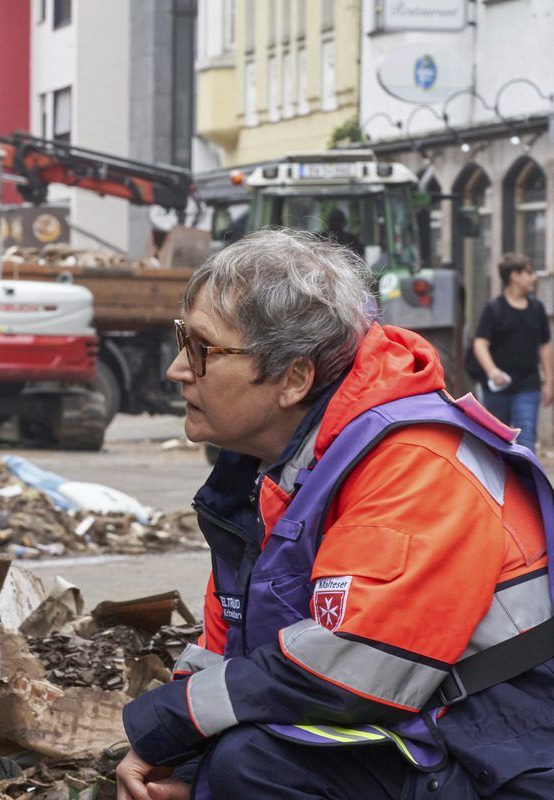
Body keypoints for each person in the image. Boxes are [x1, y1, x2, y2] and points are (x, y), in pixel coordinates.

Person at [117, 230, 554, 799]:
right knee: (229, 763)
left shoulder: (413, 463)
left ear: (294, 378)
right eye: (182, 341)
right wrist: (179, 764)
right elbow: (234, 638)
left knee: (250, 765)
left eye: (203, 349)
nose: (178, 369)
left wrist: (170, 724)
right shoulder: (270, 467)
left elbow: (352, 670)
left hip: (504, 751)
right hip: (433, 727)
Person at [471, 251, 553, 453]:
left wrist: (550, 382)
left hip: (528, 385)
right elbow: (480, 343)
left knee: (526, 440)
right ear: (514, 276)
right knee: (497, 443)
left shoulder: (537, 309)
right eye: (528, 273)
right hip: (497, 390)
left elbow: (544, 346)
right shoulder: (494, 309)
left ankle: (528, 484)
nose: (533, 278)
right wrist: (492, 372)